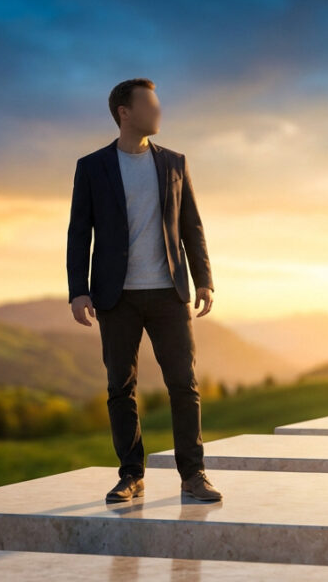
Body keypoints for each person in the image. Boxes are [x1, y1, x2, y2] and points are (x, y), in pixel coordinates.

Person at [66, 77, 221, 502]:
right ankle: (131, 474)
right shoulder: (92, 167)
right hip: (116, 296)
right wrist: (78, 290)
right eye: (150, 105)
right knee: (121, 386)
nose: (159, 111)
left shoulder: (175, 162)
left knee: (184, 384)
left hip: (169, 292)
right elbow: (79, 232)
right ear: (124, 113)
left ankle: (193, 475)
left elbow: (191, 224)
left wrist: (203, 278)